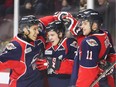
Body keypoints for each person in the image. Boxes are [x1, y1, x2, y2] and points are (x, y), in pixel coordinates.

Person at [63, 9, 115, 87]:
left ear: (94, 25)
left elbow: (88, 72)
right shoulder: (105, 34)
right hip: (106, 81)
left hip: (94, 83)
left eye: (85, 23)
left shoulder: (88, 43)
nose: (81, 26)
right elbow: (112, 56)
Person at [0, 15, 46, 87]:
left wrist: (57, 17)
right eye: (34, 29)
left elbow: (44, 22)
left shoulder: (38, 39)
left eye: (37, 29)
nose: (37, 32)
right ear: (25, 30)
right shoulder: (16, 47)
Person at [36, 20, 77, 87]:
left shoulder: (70, 43)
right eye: (48, 35)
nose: (50, 38)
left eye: (52, 35)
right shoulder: (47, 46)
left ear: (60, 34)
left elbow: (73, 66)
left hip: (67, 82)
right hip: (51, 83)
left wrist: (52, 63)